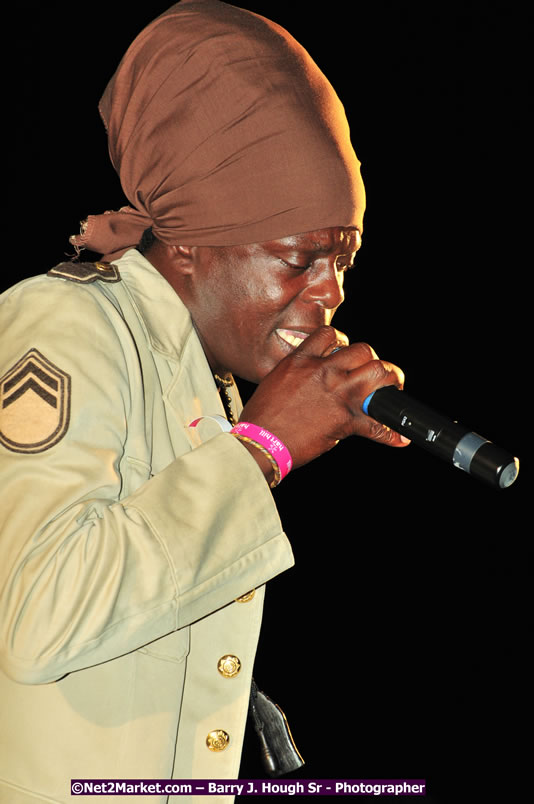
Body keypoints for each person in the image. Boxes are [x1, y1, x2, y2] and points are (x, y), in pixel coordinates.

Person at [0, 1, 408, 802]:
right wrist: (261, 448)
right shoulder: (65, 323)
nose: (330, 292)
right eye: (300, 258)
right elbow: (37, 615)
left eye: (344, 259)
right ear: (188, 243)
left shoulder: (199, 371)